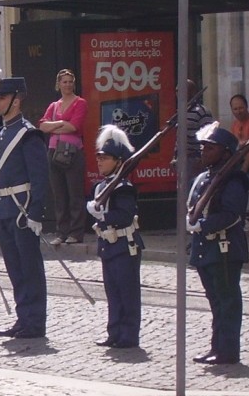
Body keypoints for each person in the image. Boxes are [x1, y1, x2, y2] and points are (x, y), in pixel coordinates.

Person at [0, 75, 49, 339]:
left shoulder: (28, 134)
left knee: (29, 269)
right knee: (15, 269)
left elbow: (40, 178)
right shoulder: (5, 132)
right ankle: (23, 318)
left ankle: (34, 322)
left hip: (22, 212)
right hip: (5, 209)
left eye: (1, 98)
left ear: (15, 101)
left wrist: (36, 212)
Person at [187, 123, 248, 365]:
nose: (204, 151)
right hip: (206, 249)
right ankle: (217, 347)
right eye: (203, 147)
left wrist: (204, 225)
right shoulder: (204, 178)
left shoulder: (234, 179)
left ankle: (228, 350)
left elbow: (232, 214)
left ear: (225, 152)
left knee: (227, 302)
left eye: (210, 148)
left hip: (224, 249)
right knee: (215, 302)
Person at [86, 125, 144, 349]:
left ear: (119, 162)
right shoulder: (101, 186)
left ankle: (128, 335)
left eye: (105, 158)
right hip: (108, 245)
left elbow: (124, 216)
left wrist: (103, 215)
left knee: (127, 292)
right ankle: (114, 332)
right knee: (112, 292)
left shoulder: (123, 187)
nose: (100, 161)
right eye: (99, 157)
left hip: (123, 245)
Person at [38, 69, 87, 245]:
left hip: (72, 151)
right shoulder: (54, 106)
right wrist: (60, 123)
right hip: (53, 151)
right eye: (64, 82)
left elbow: (74, 126)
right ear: (58, 84)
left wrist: (54, 127)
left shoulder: (80, 103)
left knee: (75, 193)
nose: (67, 85)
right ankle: (61, 232)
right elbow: (42, 126)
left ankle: (76, 232)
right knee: (59, 194)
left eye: (70, 82)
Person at [171, 79, 214, 185]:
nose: (178, 94)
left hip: (195, 159)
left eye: (182, 90)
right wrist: (175, 157)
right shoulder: (181, 112)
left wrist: (202, 159)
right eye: (177, 91)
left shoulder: (202, 112)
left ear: (192, 92)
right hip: (182, 159)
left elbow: (209, 137)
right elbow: (179, 137)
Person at [229, 94, 249, 173]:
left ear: (247, 107)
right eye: (235, 109)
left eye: (241, 108)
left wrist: (243, 172)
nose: (238, 112)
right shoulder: (234, 124)